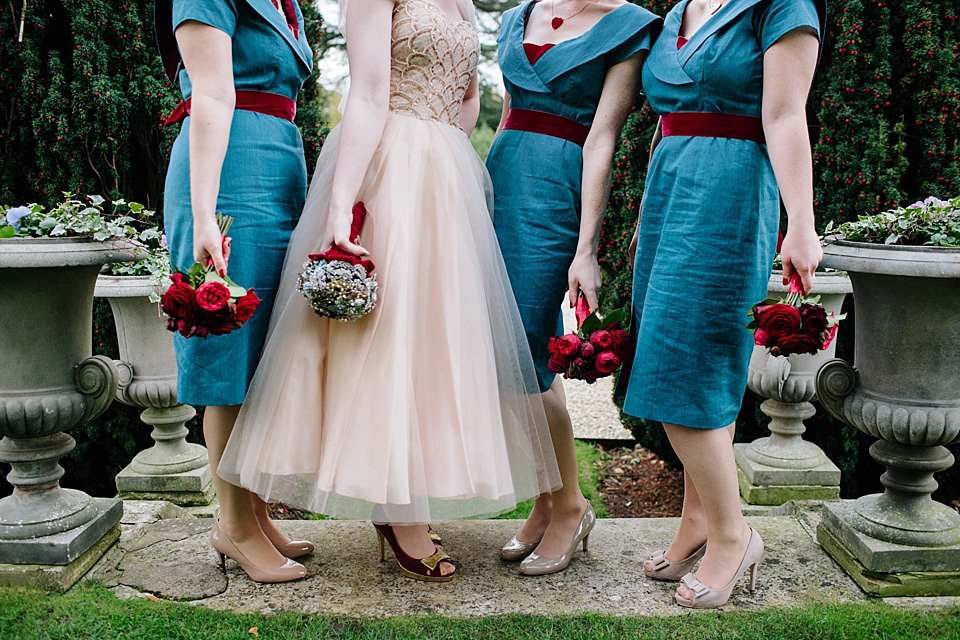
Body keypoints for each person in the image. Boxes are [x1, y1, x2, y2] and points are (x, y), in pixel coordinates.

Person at [217, 0, 561, 582]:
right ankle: (397, 510)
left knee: (429, 341)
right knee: (383, 335)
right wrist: (340, 206)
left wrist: (451, 184)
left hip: (443, 178)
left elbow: (468, 102)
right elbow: (370, 95)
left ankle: (404, 496)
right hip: (388, 167)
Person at [620, 0, 825, 609]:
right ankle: (697, 524)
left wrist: (802, 226)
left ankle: (735, 536)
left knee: (686, 366)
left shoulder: (781, 6)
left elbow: (787, 116)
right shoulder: (681, 9)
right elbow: (667, 116)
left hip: (730, 192)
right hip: (670, 192)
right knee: (688, 367)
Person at [486, 0, 661, 576]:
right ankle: (546, 500)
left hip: (556, 190)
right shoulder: (517, 16)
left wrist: (586, 249)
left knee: (525, 356)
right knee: (512, 356)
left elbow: (602, 138)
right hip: (498, 180)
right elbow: (510, 108)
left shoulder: (630, 26)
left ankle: (570, 506)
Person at [159, 0, 317, 584]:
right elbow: (213, 93)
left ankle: (252, 510)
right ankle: (233, 526)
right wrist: (205, 215)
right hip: (227, 175)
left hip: (279, 166)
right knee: (226, 350)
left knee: (262, 351)